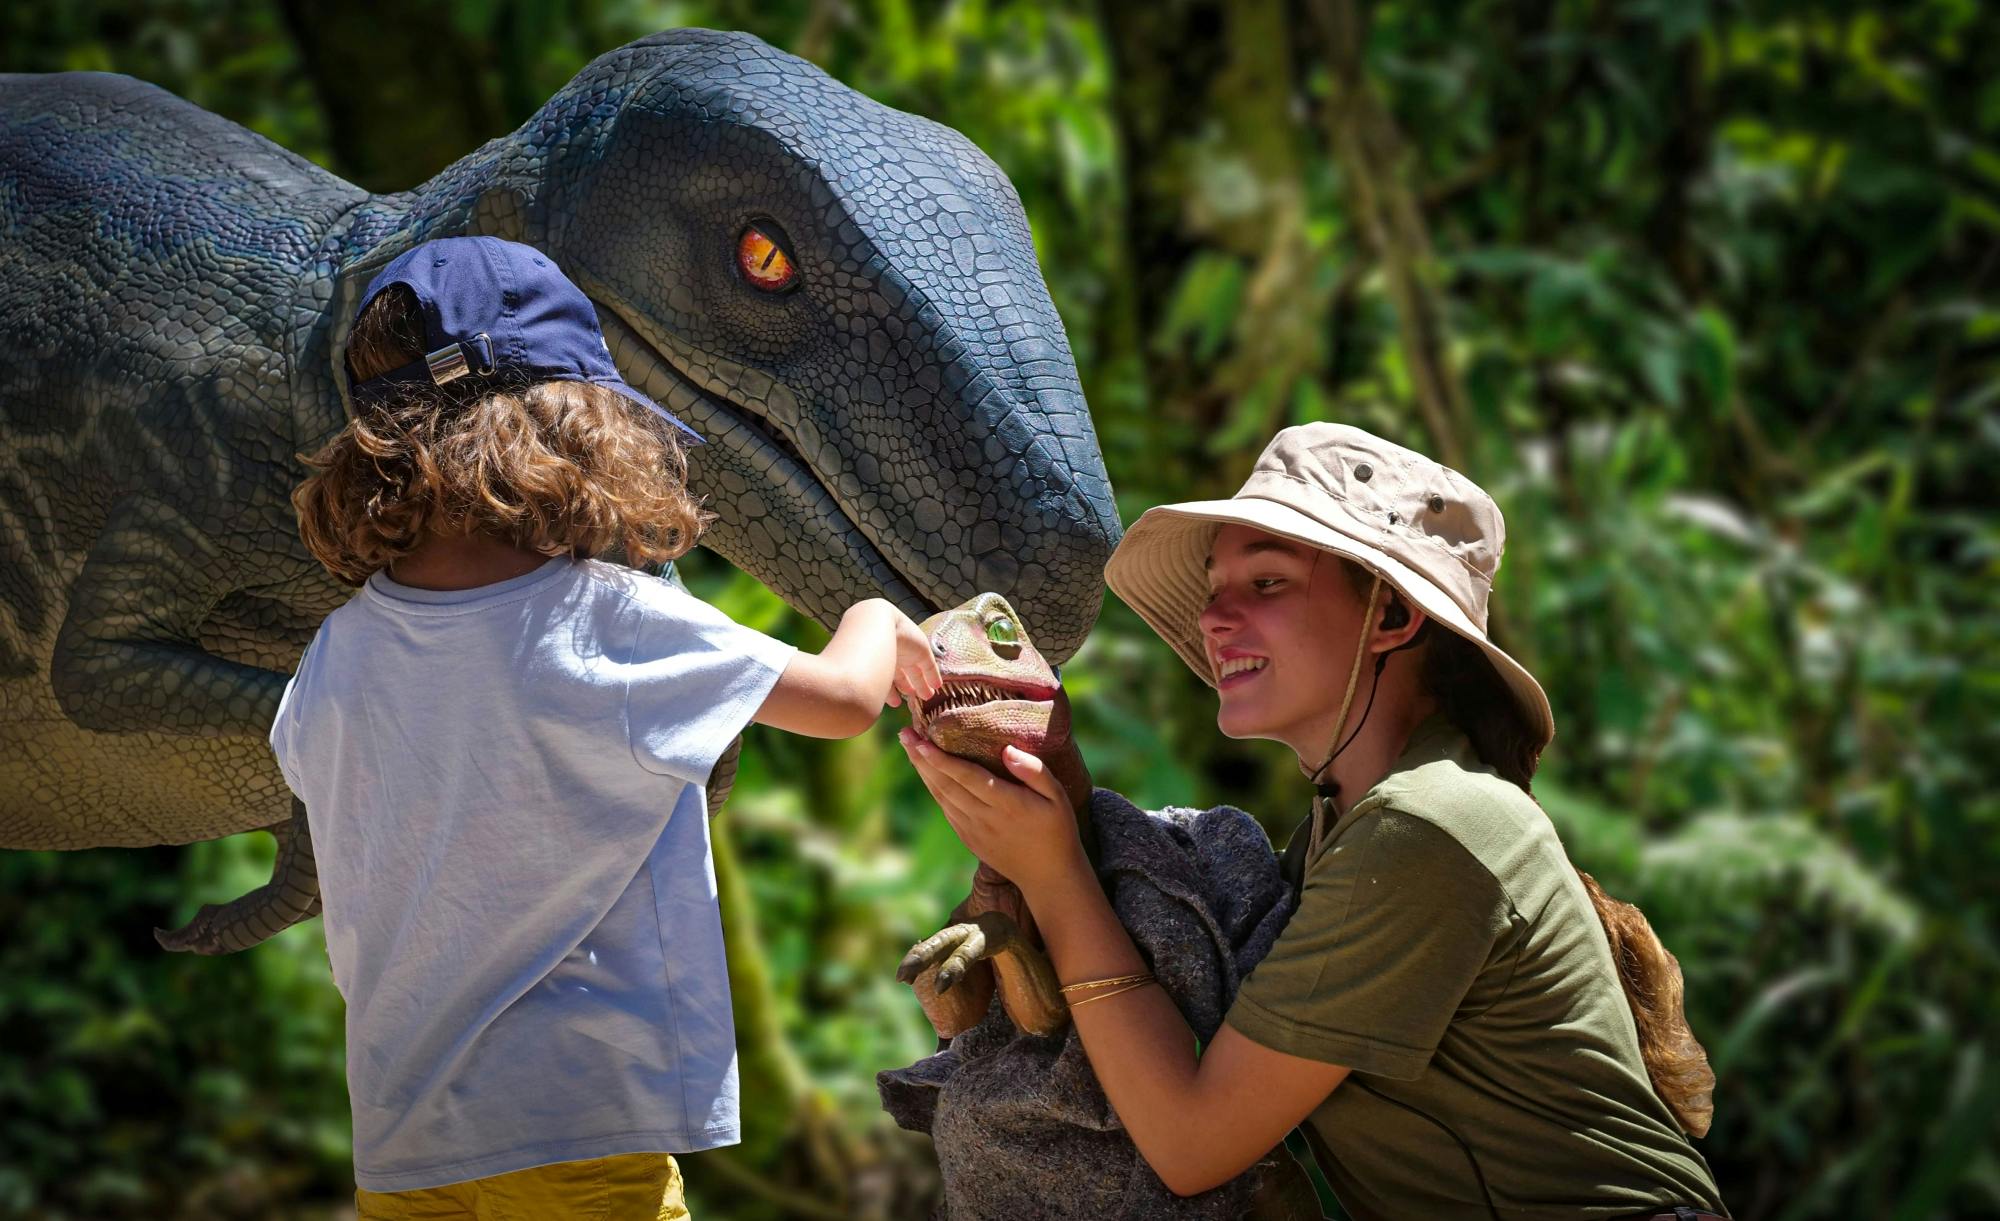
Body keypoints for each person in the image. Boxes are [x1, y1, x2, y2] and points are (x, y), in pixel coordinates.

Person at [899, 423, 1730, 1219]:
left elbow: (1190, 1141)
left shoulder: (1428, 824)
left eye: (1265, 584)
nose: (1215, 618)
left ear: (1394, 617)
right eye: (1215, 591)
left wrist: (1056, 874)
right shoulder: (1335, 837)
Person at [272, 236, 940, 1220]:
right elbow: (842, 700)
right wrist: (878, 618)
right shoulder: (601, 616)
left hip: (404, 1141)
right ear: (573, 426)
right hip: (577, 1124)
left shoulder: (339, 649)